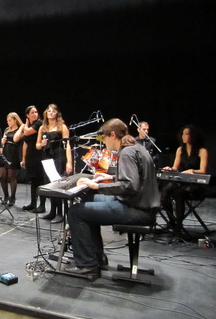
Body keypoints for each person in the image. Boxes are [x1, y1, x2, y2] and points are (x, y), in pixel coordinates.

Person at [67, 118, 160, 277]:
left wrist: (97, 185)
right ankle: (97, 257)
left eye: (104, 138)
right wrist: (109, 177)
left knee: (75, 212)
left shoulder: (127, 152)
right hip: (139, 205)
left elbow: (129, 186)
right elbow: (135, 179)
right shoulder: (135, 148)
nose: (103, 142)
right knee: (88, 199)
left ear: (112, 135)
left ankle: (87, 265)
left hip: (137, 210)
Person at [161, 125, 208, 231]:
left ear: (193, 136)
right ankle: (171, 221)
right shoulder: (180, 150)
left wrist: (192, 171)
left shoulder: (202, 151)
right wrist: (169, 169)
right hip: (181, 182)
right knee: (165, 192)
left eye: (187, 134)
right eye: (183, 134)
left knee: (180, 194)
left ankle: (178, 225)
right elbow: (175, 168)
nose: (183, 136)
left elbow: (203, 171)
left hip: (195, 185)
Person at [36, 104, 72, 223]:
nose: (51, 113)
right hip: (46, 156)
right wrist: (41, 144)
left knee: (57, 183)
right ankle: (52, 211)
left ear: (57, 114)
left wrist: (69, 162)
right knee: (49, 183)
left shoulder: (62, 127)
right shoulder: (42, 128)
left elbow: (67, 145)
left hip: (59, 155)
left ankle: (60, 213)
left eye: (53, 111)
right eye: (49, 111)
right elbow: (37, 145)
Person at [14, 105, 44, 212]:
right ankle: (33, 203)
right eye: (32, 112)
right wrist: (23, 158)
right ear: (27, 115)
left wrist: (25, 125)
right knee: (33, 180)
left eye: (36, 112)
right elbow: (23, 142)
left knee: (40, 180)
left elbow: (26, 132)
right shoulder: (29, 125)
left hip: (39, 154)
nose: (35, 114)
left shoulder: (39, 123)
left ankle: (42, 205)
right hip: (30, 155)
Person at [0, 112, 23, 207]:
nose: (8, 122)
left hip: (13, 153)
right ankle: (6, 195)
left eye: (10, 120)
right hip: (5, 152)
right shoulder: (6, 129)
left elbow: (16, 139)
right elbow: (2, 140)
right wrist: (2, 141)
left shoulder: (19, 129)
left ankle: (12, 197)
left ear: (15, 120)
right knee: (2, 177)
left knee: (11, 177)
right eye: (7, 121)